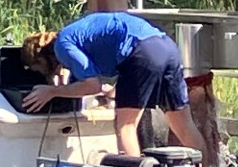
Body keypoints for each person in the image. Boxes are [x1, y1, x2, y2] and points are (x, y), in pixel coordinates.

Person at [20, 12, 207, 158]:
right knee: (183, 125)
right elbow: (102, 81)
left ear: (43, 58)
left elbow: (91, 86)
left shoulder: (63, 44)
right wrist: (108, 91)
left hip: (141, 52)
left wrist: (52, 91)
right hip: (167, 47)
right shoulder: (77, 31)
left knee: (125, 125)